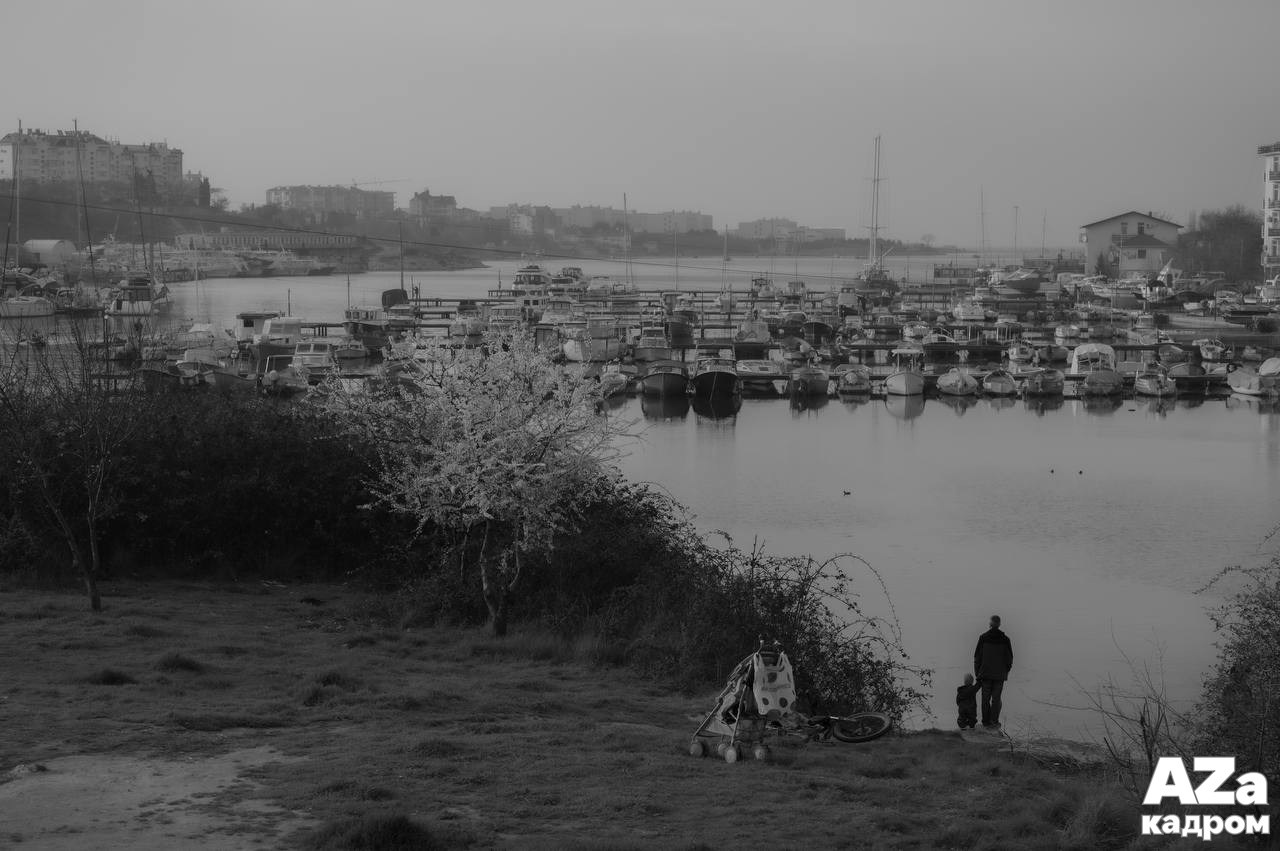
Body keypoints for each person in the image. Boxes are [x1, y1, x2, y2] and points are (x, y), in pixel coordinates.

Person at [974, 614, 1013, 729]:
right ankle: (994, 721)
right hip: (999, 675)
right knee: (996, 699)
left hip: (985, 674)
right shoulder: (1005, 640)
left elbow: (977, 657)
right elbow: (1009, 659)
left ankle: (986, 722)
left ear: (990, 624)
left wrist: (978, 674)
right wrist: (1006, 671)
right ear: (999, 624)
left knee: (985, 699)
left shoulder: (983, 638)